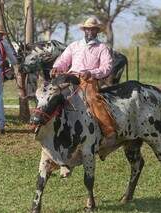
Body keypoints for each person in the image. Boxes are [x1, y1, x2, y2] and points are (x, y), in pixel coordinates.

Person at [51, 17, 116, 177]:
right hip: (70, 78)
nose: (90, 31)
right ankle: (47, 126)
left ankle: (108, 131)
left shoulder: (102, 48)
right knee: (53, 98)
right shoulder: (74, 45)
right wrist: (56, 67)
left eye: (93, 29)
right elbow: (63, 60)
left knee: (93, 100)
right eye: (87, 29)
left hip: (88, 80)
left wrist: (91, 72)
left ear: (96, 31)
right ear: (84, 30)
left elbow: (107, 67)